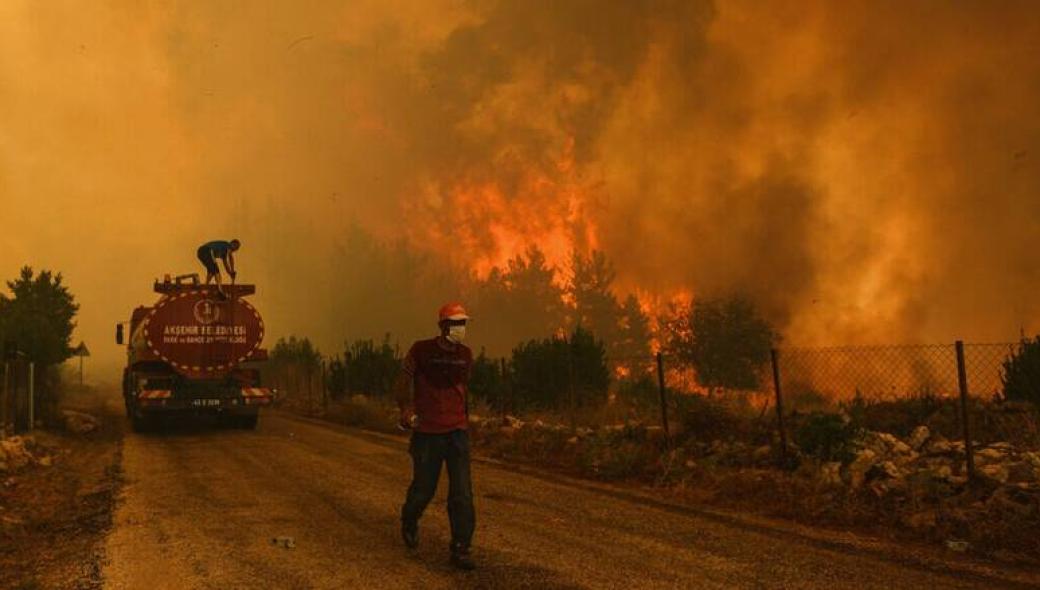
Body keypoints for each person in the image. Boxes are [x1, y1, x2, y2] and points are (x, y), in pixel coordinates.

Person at [396, 302, 477, 571]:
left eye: (463, 324)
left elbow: (464, 390)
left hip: (457, 433)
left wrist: (465, 422)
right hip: (428, 434)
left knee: (462, 493)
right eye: (455, 324)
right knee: (423, 489)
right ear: (443, 326)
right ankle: (409, 519)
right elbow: (404, 380)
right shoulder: (421, 351)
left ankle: (461, 548)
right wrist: (406, 409)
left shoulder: (466, 355)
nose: (460, 329)